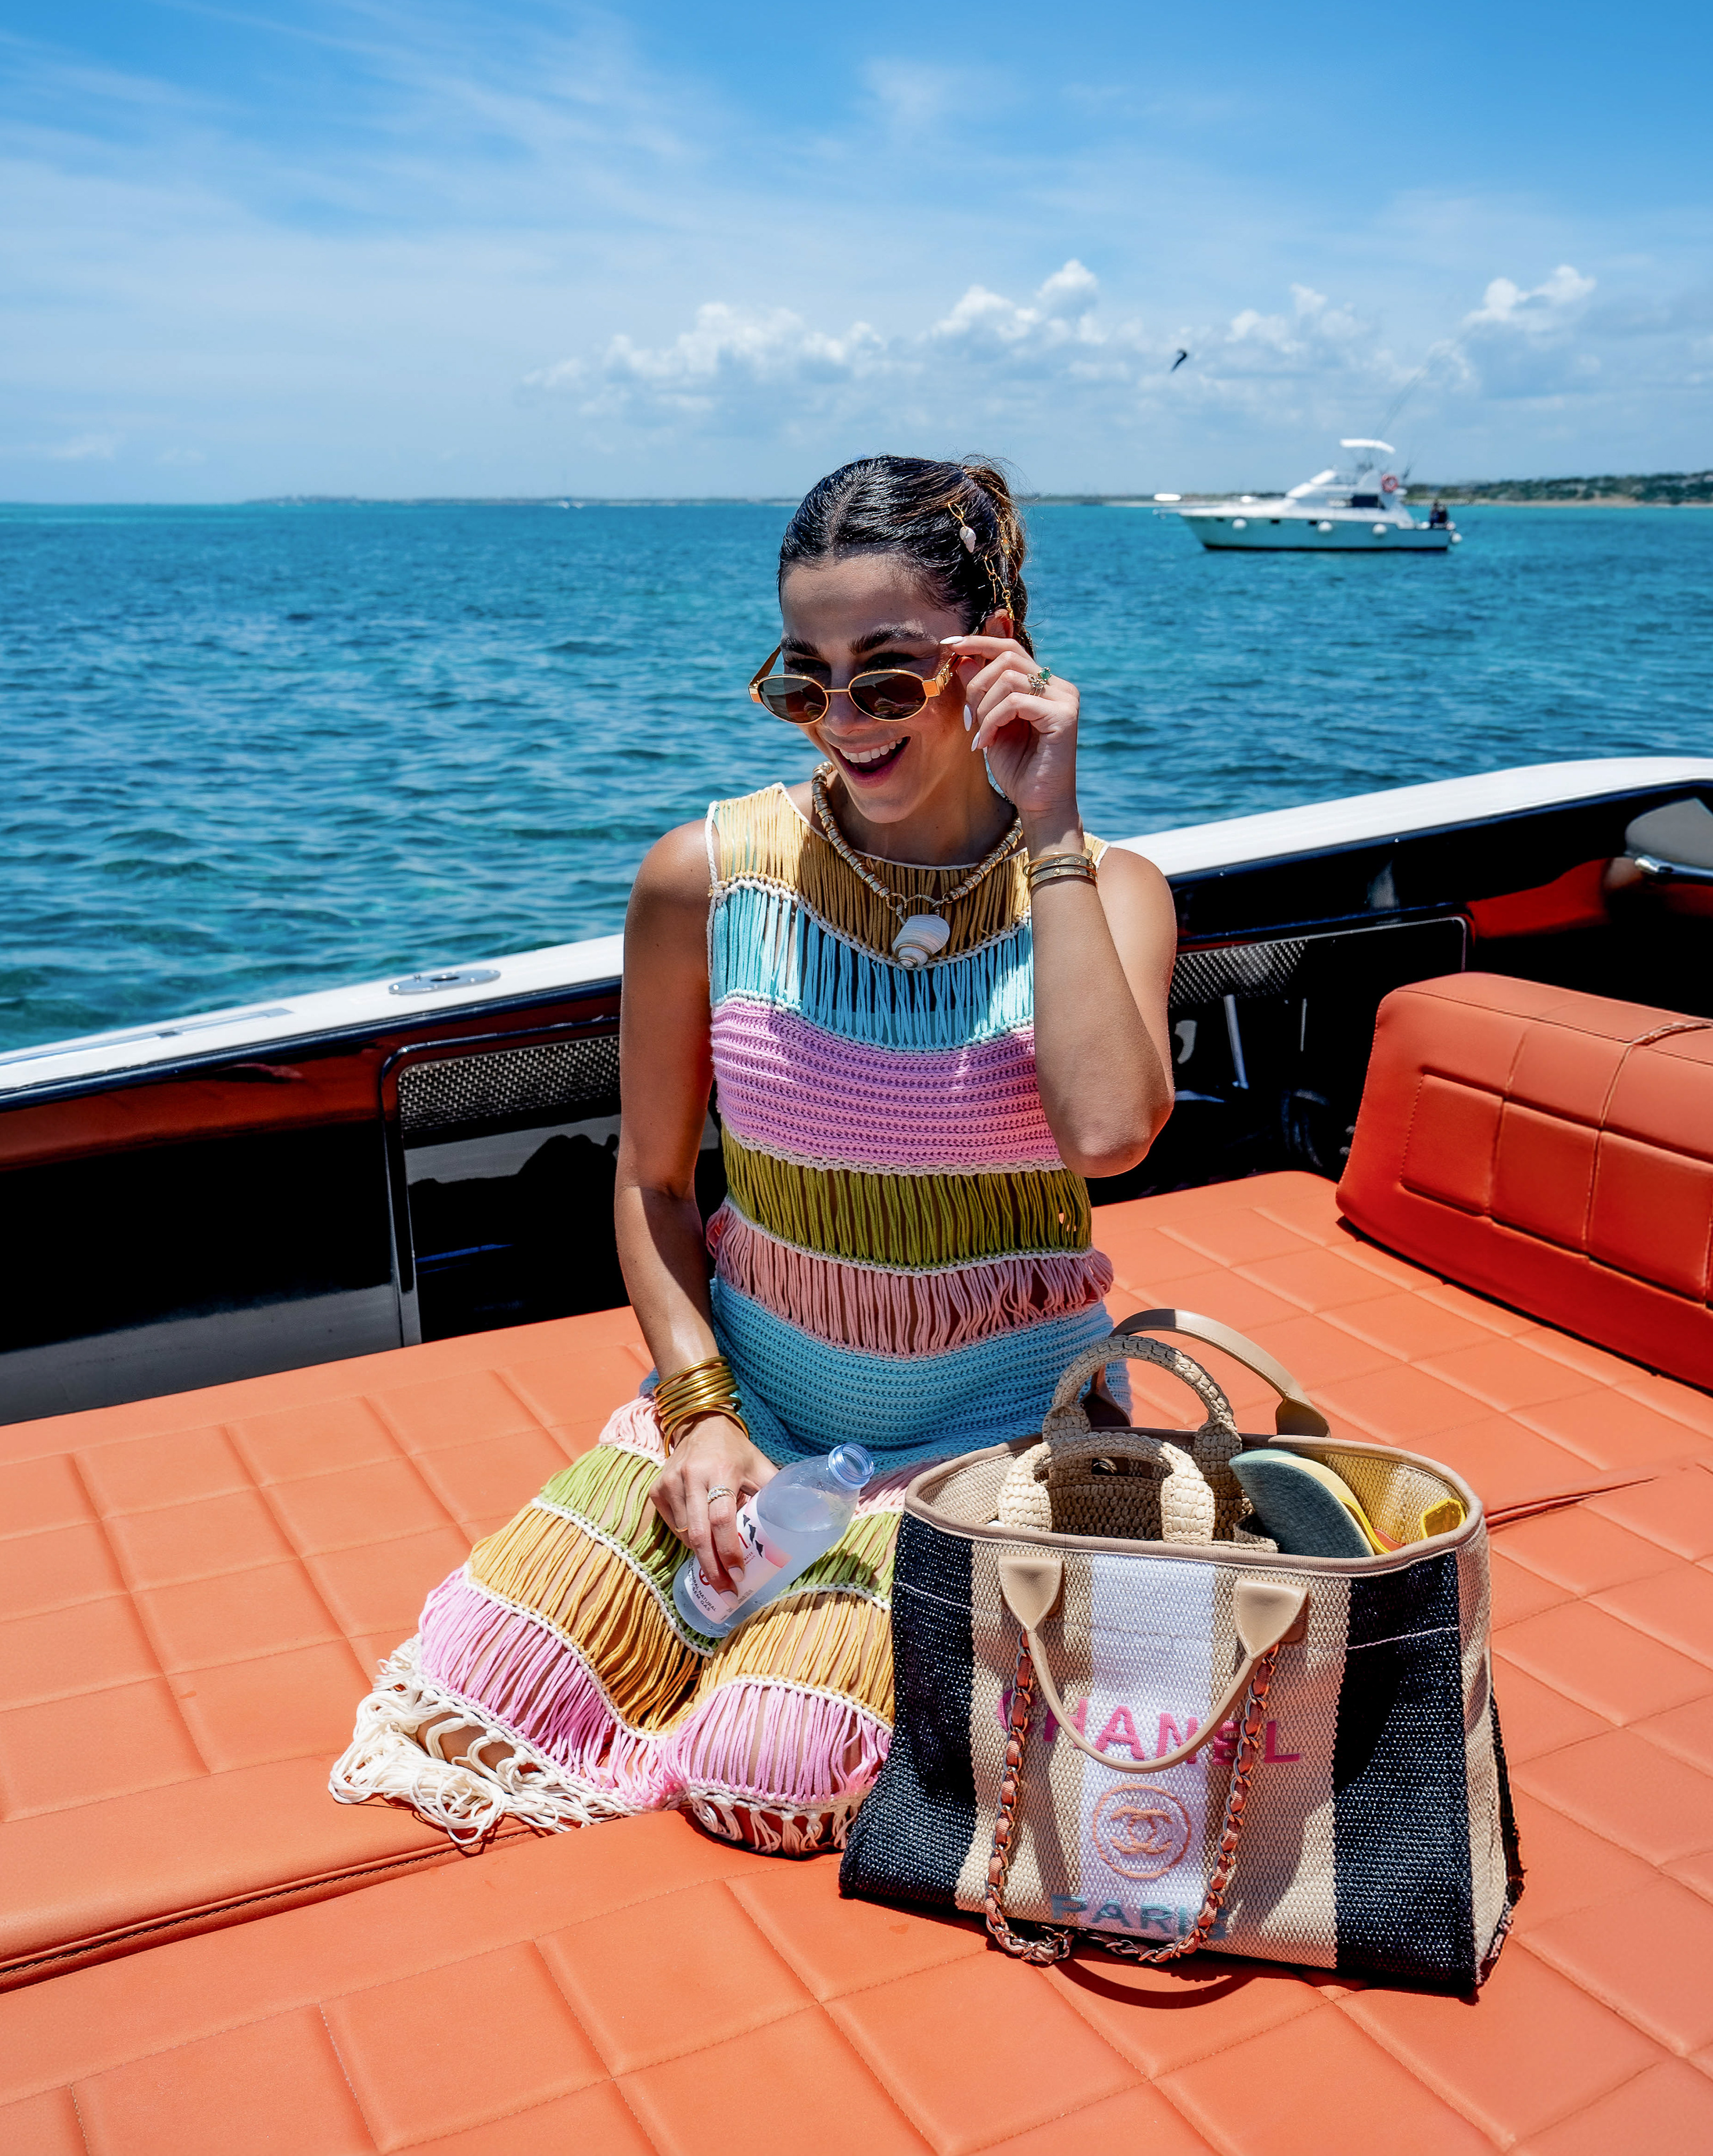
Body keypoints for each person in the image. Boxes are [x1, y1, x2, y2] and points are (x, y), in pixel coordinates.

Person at [331, 455, 1177, 1853]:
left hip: (997, 1438)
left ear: (995, 657)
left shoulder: (1104, 889)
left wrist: (1053, 824)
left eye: (889, 677)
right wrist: (701, 1415)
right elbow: (654, 1182)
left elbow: (1109, 1134)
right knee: (481, 1687)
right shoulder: (704, 879)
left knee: (773, 1766)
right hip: (759, 1409)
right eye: (805, 679)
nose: (842, 720)